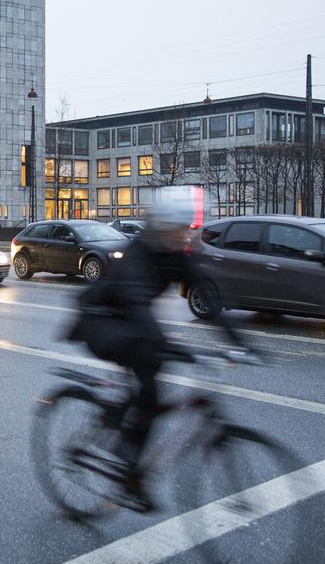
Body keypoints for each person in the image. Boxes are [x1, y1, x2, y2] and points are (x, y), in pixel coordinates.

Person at [68, 188, 243, 513]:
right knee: (149, 382)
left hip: (134, 321)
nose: (186, 234)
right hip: (103, 322)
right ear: (162, 227)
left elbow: (207, 295)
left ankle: (130, 446)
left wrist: (241, 342)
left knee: (151, 381)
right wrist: (171, 348)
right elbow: (138, 308)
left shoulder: (175, 253)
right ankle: (127, 460)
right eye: (180, 228)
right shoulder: (136, 255)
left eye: (187, 228)